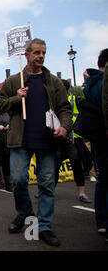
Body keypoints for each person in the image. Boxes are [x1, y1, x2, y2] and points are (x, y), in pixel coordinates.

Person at [0, 38, 72, 247]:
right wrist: (16, 98)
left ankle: (44, 226)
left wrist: (64, 126)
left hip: (48, 140)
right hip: (21, 141)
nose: (41, 57)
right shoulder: (14, 82)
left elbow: (65, 108)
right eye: (36, 53)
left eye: (43, 53)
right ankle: (26, 215)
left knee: (46, 184)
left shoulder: (53, 81)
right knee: (19, 181)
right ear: (26, 55)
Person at [83, 48, 108, 240]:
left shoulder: (90, 85)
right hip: (103, 136)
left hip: (97, 137)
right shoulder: (101, 84)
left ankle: (101, 221)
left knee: (102, 179)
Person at [55, 79, 91, 203]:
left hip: (72, 138)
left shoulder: (73, 100)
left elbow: (78, 116)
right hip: (59, 138)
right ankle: (49, 191)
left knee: (76, 165)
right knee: (54, 166)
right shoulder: (54, 101)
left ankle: (82, 193)